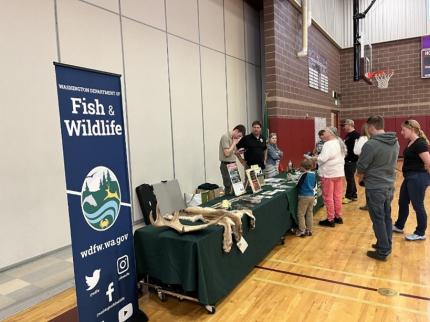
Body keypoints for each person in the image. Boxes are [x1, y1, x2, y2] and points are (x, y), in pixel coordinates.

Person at [356, 116, 399, 261]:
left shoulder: (371, 144)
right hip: (389, 185)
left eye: (368, 127)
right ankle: (385, 244)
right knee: (386, 216)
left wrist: (360, 178)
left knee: (378, 219)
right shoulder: (394, 141)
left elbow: (361, 166)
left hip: (375, 187)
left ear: (372, 127)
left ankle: (383, 251)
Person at [393, 120, 430, 241]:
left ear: (412, 130)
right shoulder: (411, 142)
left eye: (404, 130)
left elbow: (428, 162)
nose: (401, 132)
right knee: (402, 202)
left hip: (418, 178)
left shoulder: (420, 143)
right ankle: (399, 226)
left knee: (418, 205)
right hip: (409, 177)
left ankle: (420, 232)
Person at [315, 127, 347, 227]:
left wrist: (315, 158)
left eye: (325, 132)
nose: (324, 134)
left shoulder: (328, 144)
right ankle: (338, 216)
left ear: (330, 133)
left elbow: (323, 158)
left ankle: (330, 219)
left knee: (328, 197)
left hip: (328, 173)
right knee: (337, 196)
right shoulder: (339, 142)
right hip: (339, 173)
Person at [219, 124, 246, 195]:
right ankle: (227, 202)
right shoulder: (225, 137)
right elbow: (226, 153)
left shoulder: (234, 139)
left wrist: (238, 152)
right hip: (226, 164)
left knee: (236, 186)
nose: (239, 138)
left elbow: (232, 152)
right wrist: (234, 143)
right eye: (239, 135)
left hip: (233, 164)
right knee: (228, 186)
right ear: (236, 131)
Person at [296, 159, 317, 237]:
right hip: (311, 196)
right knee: (309, 212)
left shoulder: (303, 175)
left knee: (301, 214)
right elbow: (314, 184)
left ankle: (302, 230)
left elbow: (298, 184)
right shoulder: (314, 174)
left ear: (302, 167)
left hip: (304, 196)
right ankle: (309, 229)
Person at [342, 119, 360, 204]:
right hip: (347, 159)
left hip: (352, 160)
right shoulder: (348, 135)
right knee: (350, 178)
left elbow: (357, 149)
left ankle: (348, 196)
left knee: (349, 178)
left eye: (345, 125)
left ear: (350, 125)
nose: (344, 127)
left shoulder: (356, 135)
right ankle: (354, 195)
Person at [353, 123, 371, 211]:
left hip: (364, 163)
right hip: (372, 164)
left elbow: (356, 151)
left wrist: (356, 142)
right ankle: (371, 204)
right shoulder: (373, 138)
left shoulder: (363, 138)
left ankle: (369, 205)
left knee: (367, 185)